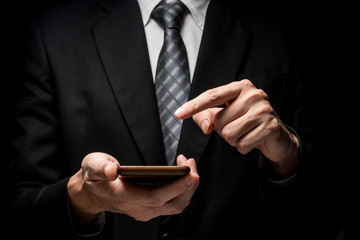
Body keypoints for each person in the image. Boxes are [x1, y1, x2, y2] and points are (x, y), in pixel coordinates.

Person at [4, 0, 316, 239]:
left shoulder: (280, 30)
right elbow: (19, 207)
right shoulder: (54, 30)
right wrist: (82, 198)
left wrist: (286, 154)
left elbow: (324, 213)